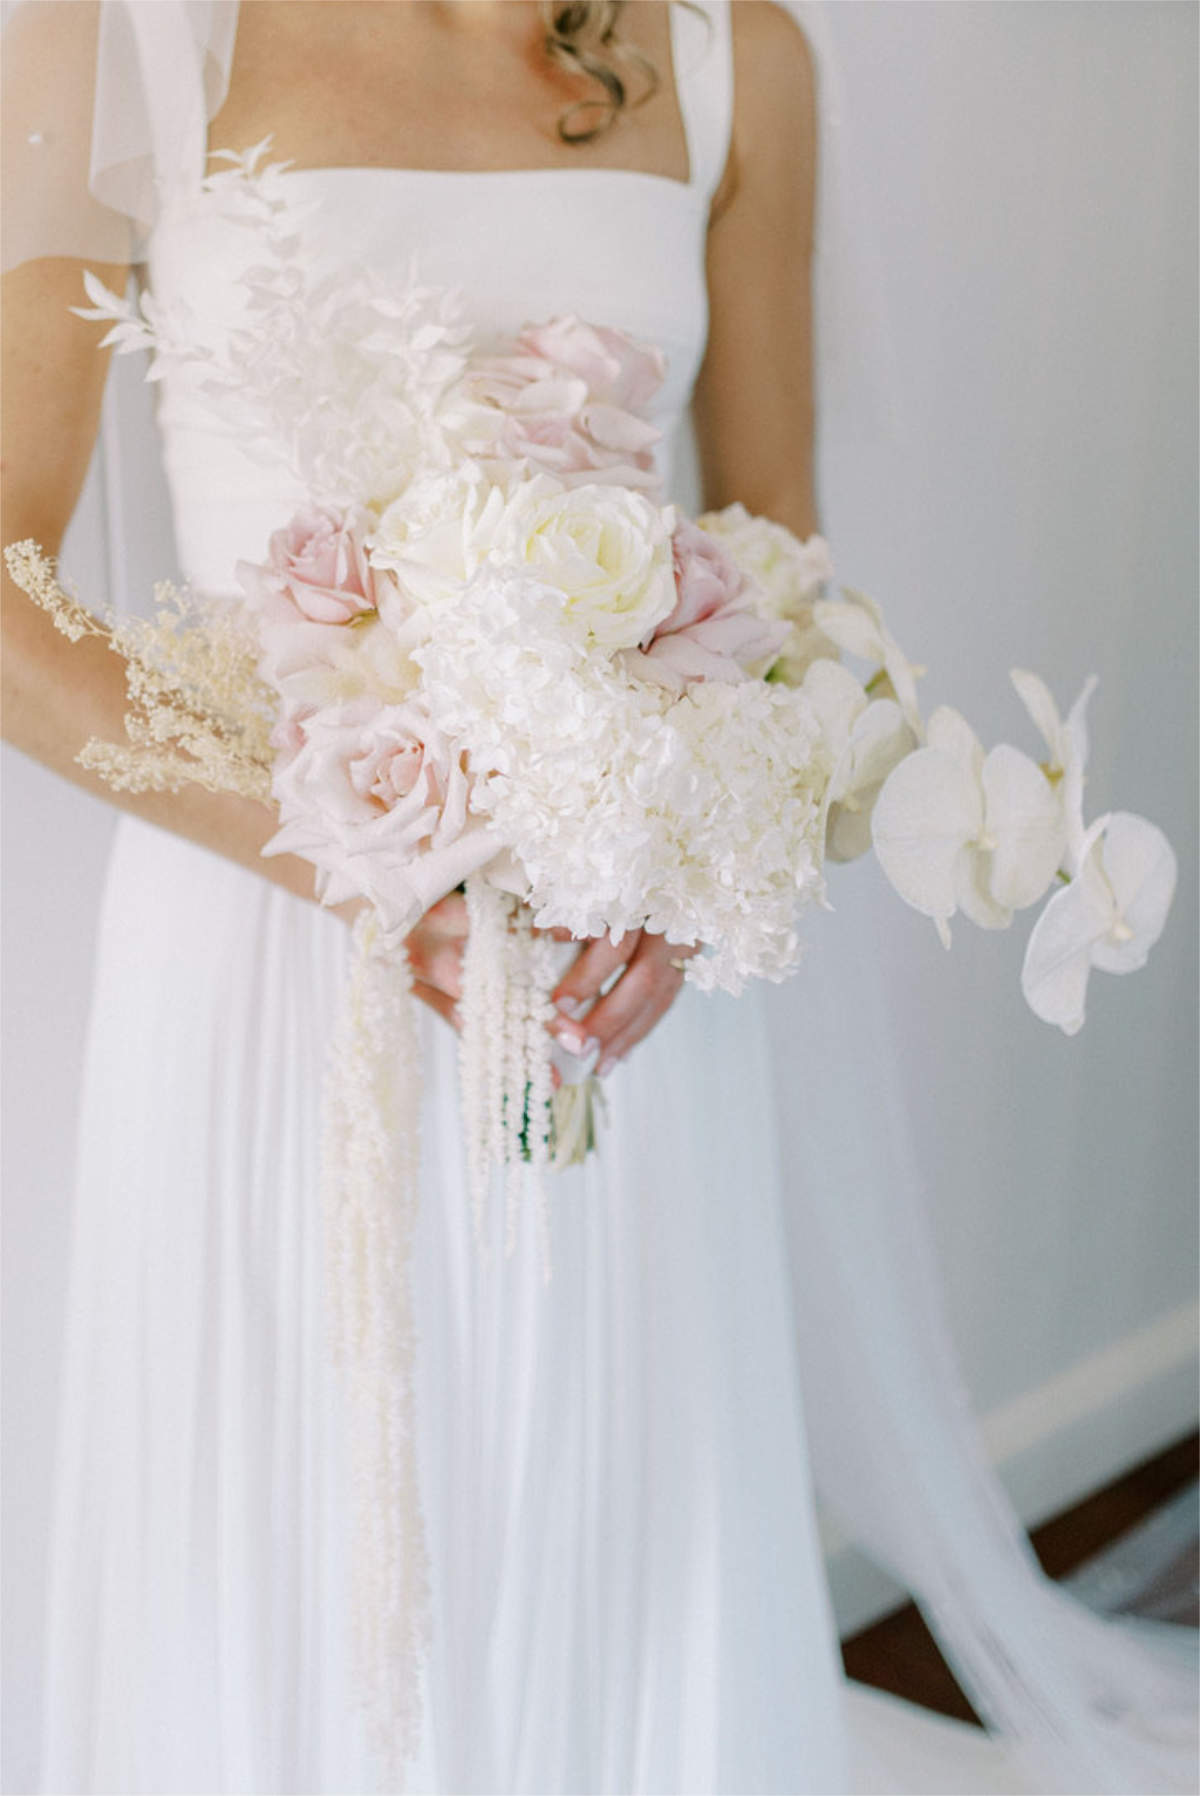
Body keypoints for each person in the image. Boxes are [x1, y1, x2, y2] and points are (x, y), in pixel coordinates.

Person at [1, 4, 1194, 1793]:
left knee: (605, 1495)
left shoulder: (735, 60)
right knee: (296, 1505)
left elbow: (779, 531)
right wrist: (369, 858)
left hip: (609, 959)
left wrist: (699, 872)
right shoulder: (120, 31)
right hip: (272, 938)